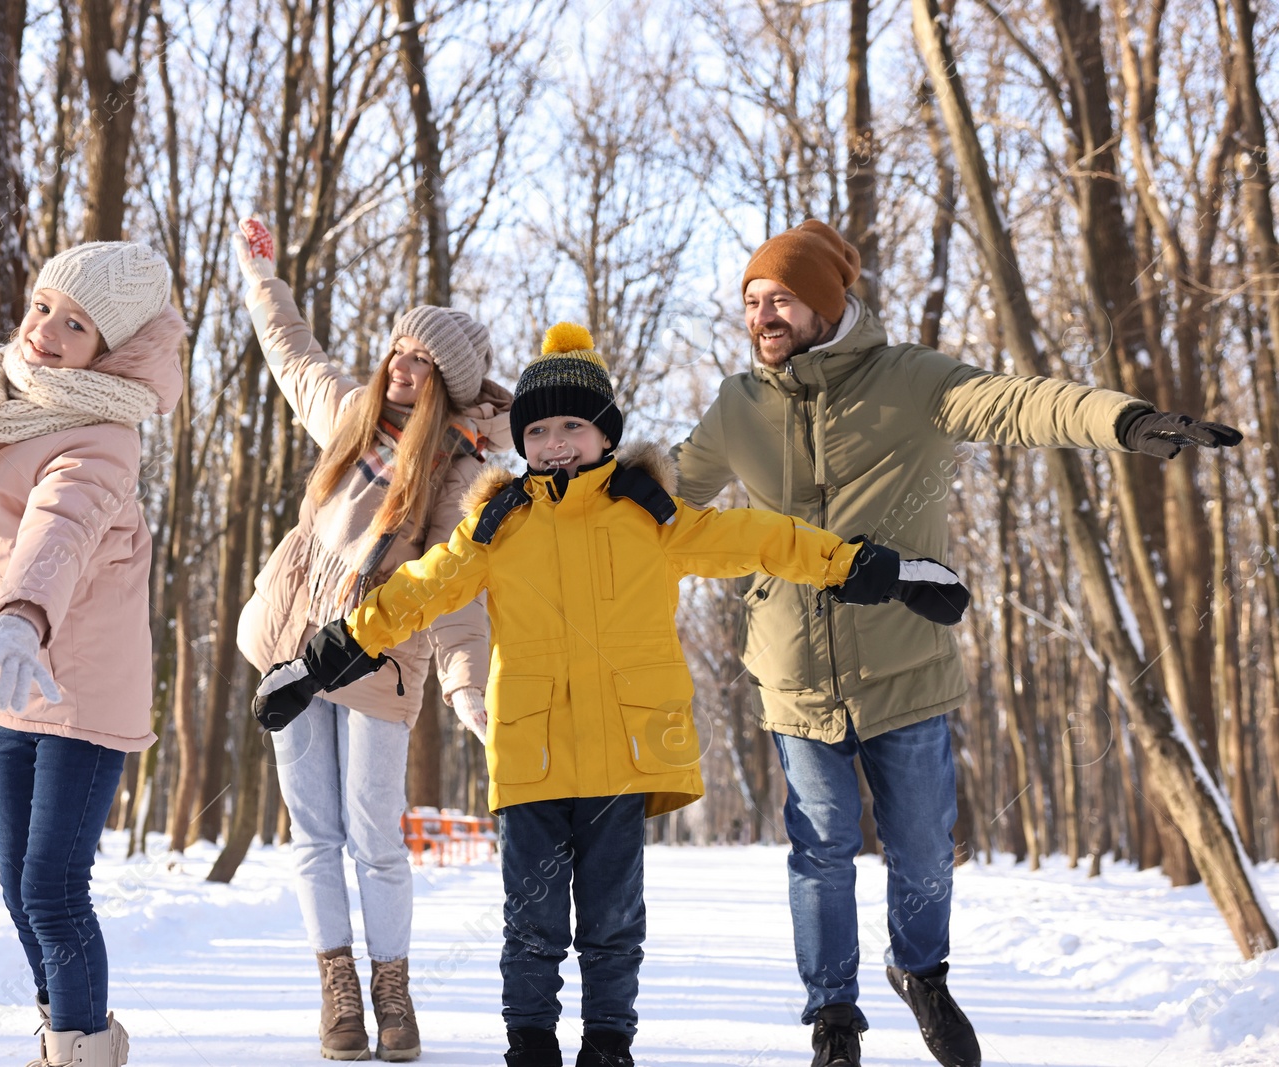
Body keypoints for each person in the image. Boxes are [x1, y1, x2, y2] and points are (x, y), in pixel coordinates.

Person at [250, 323, 970, 1067]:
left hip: (623, 761)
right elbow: (414, 594)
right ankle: (529, 1044)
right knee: (530, 926)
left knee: (613, 924)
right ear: (522, 442)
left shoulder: (649, 517)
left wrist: (880, 570)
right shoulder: (496, 527)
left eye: (572, 426)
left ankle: (607, 1045)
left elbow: (764, 539)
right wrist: (319, 660)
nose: (555, 443)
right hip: (530, 759)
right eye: (538, 430)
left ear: (604, 434)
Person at [670, 220, 1243, 1067]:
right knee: (820, 847)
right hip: (793, 670)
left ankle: (921, 969)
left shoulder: (910, 378)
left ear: (826, 305)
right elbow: (662, 501)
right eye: (752, 301)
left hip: (904, 656)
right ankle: (833, 1013)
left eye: (781, 298)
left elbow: (1017, 403)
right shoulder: (737, 406)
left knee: (924, 844)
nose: (763, 315)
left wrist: (1123, 420)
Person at [231, 217, 510, 1061]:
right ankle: (338, 989)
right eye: (398, 350)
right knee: (313, 834)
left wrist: (468, 689)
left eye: (420, 360)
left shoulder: (458, 470)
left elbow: (457, 592)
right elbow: (292, 351)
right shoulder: (350, 417)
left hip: (380, 659)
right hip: (290, 644)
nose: (401, 365)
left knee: (373, 834)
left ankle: (394, 988)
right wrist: (260, 275)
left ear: (445, 383)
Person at [0, 241, 184, 1067]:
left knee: (53, 889)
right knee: (20, 890)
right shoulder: (5, 402)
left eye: (77, 323)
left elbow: (62, 528)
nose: (47, 331)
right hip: (10, 680)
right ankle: (66, 1030)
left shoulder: (104, 435)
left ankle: (85, 1050)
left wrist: (22, 611)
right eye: (44, 307)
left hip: (82, 695)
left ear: (111, 348)